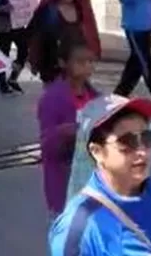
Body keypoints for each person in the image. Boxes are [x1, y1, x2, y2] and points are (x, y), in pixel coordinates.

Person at [48, 95, 151, 255]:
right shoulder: (79, 226)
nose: (142, 152)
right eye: (127, 142)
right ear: (97, 152)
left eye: (147, 138)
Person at [37, 36, 99, 218]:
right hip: (64, 182)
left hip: (92, 182)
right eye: (80, 62)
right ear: (63, 63)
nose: (87, 66)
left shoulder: (95, 97)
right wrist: (67, 132)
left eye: (90, 61)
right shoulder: (52, 99)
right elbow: (47, 144)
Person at [27, 0, 102, 84]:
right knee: (55, 99)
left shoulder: (81, 9)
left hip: (78, 66)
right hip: (53, 66)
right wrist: (35, 61)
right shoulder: (49, 12)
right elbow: (38, 38)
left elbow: (89, 33)